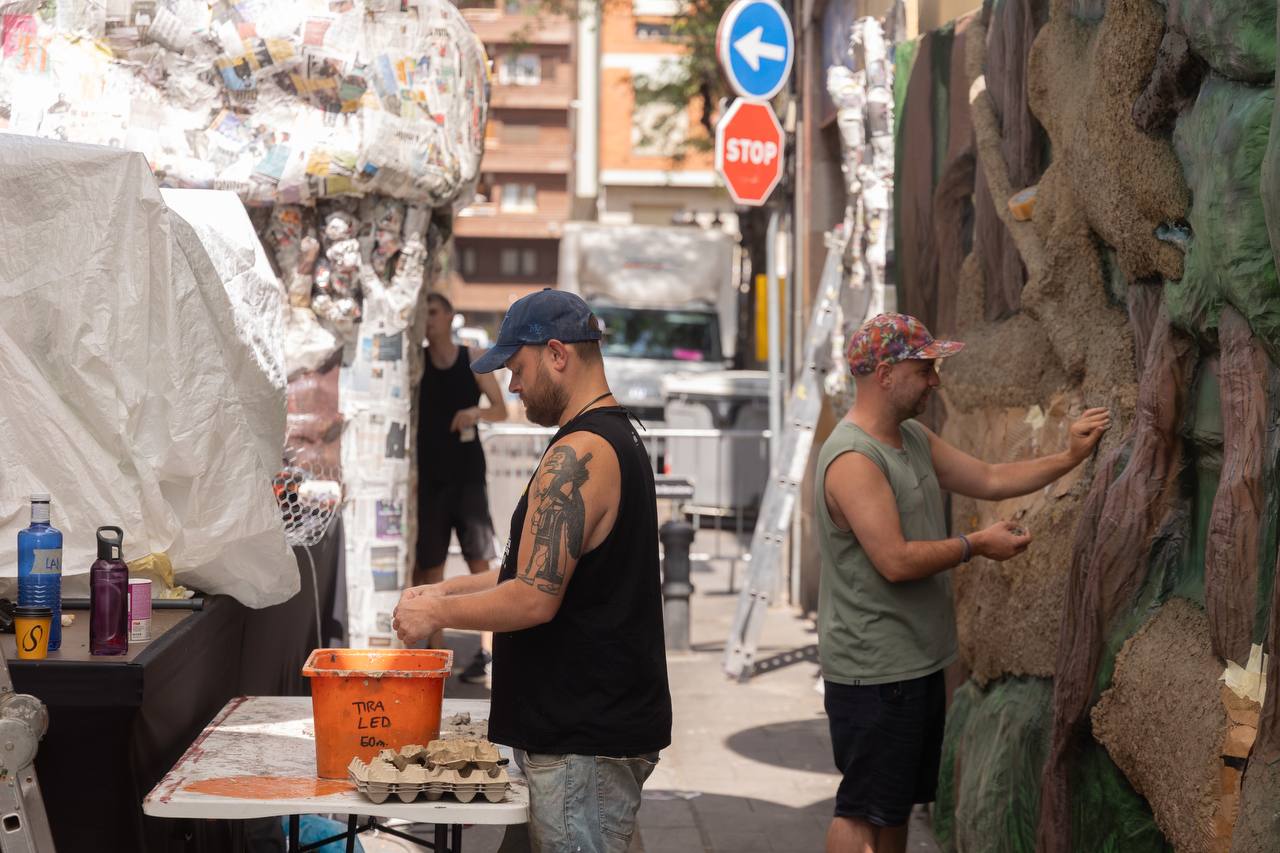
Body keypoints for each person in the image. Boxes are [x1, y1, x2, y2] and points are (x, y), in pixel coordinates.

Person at [818, 313, 1111, 853]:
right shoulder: (855, 459)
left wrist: (1070, 456)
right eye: (925, 368)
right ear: (885, 374)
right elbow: (895, 561)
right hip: (874, 670)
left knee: (895, 803)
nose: (936, 380)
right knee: (860, 809)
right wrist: (977, 546)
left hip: (915, 662)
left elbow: (992, 478)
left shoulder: (911, 437)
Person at [394, 288, 673, 853]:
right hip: (580, 737)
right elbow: (529, 572)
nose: (512, 385)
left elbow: (532, 598)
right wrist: (442, 587)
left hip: (581, 741)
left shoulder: (581, 453)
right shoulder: (613, 436)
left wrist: (438, 614)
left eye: (516, 368)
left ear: (556, 354)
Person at [417, 292, 507, 678]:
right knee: (431, 566)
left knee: (479, 563)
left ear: (450, 316)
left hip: (468, 478)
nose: (428, 319)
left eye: (434, 312)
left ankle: (486, 653)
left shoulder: (472, 359)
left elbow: (502, 409)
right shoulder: (415, 363)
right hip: (429, 479)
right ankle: (436, 657)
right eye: (424, 313)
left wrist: (475, 413)